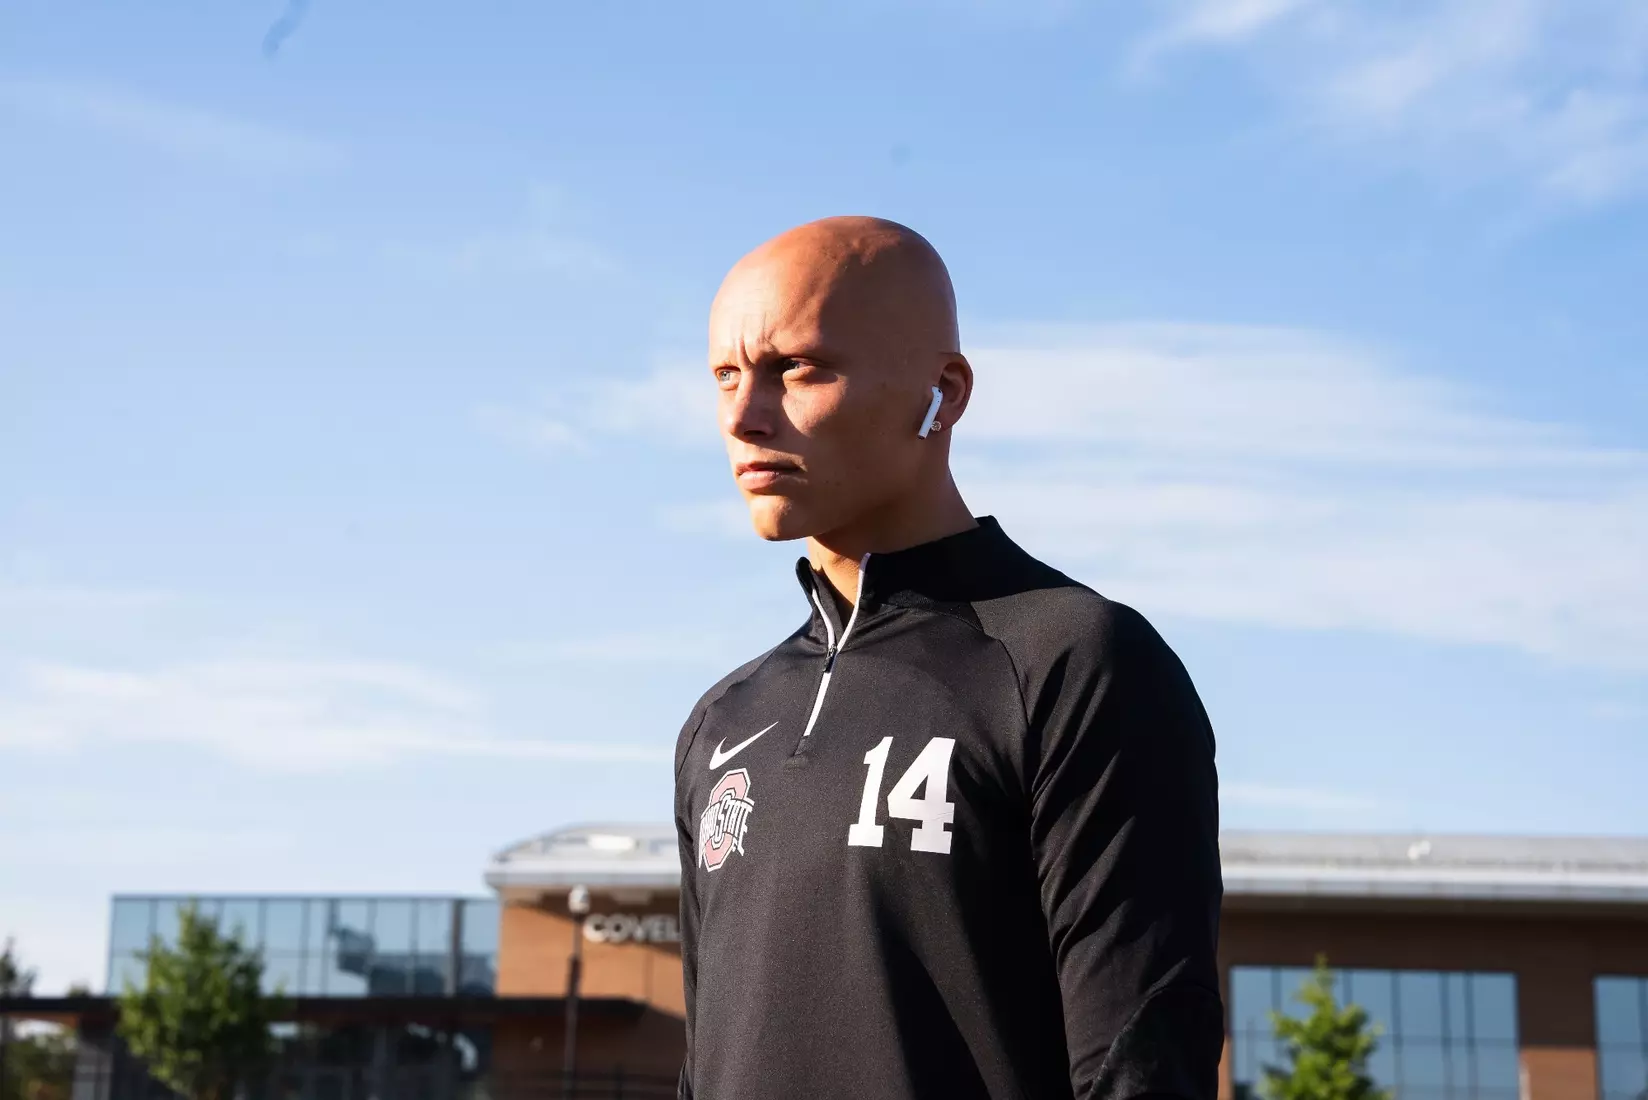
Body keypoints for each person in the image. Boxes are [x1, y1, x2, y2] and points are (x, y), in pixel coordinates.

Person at [674, 216, 1223, 1100]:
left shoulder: (1075, 661)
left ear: (946, 390)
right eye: (726, 376)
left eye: (798, 369)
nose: (743, 415)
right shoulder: (722, 721)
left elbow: (1141, 1064)